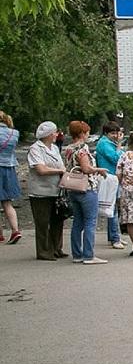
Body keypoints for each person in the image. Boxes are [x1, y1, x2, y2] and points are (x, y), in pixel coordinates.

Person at [62, 121, 109, 265]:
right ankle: (89, 255)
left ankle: (77, 254)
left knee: (77, 222)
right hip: (86, 187)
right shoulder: (82, 148)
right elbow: (86, 168)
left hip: (72, 187)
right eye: (87, 132)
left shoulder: (68, 148)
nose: (88, 134)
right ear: (82, 133)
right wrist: (99, 170)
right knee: (90, 221)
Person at [26, 121, 67, 260]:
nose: (57, 134)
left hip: (55, 190)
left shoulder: (54, 148)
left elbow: (61, 165)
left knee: (57, 220)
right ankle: (44, 251)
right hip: (40, 191)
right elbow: (41, 169)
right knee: (43, 222)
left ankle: (56, 248)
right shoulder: (35, 149)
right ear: (49, 134)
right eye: (55, 132)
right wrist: (59, 171)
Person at [94, 121, 126, 249]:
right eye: (113, 133)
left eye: (117, 133)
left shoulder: (108, 143)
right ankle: (115, 238)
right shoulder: (104, 144)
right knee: (111, 208)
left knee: (113, 207)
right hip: (109, 177)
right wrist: (119, 146)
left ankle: (114, 235)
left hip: (113, 177)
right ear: (106, 133)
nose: (116, 136)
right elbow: (116, 158)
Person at [0, 111, 23, 244]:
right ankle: (15, 230)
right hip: (9, 168)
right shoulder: (14, 133)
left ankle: (0, 233)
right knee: (7, 203)